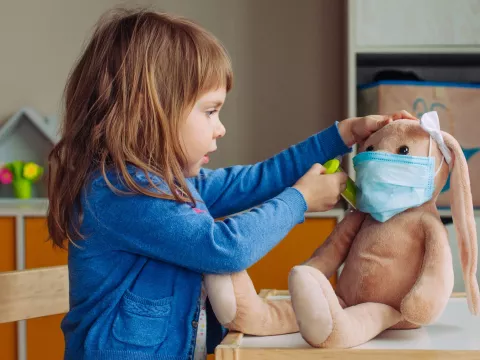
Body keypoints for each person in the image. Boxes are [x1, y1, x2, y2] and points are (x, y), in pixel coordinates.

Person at [46, 7, 416, 360]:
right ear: (147, 110)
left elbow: (256, 180)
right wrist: (300, 200)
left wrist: (342, 134)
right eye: (210, 111)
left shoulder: (169, 184)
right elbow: (224, 249)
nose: (220, 127)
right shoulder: (123, 193)